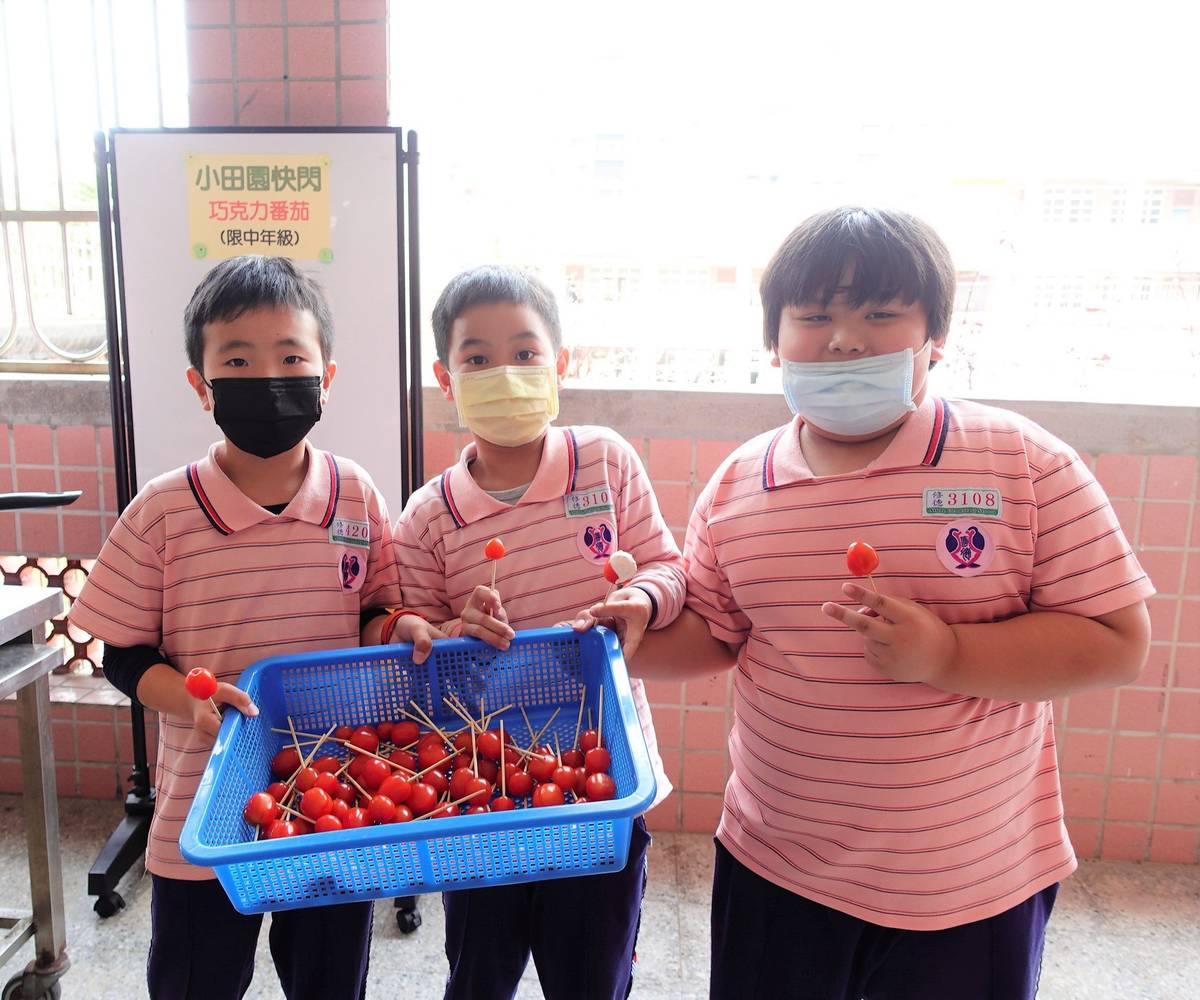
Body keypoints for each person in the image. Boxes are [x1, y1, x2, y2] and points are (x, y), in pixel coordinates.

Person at [632, 207, 1154, 999]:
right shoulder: (740, 485)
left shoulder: (1022, 462)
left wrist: (950, 654)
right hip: (778, 866)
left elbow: (1118, 639)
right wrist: (616, 643)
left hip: (970, 881)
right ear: (773, 340)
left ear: (935, 338)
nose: (844, 339)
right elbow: (716, 633)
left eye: (880, 314)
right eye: (814, 316)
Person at [69, 255, 438, 1000]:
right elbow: (124, 654)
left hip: (337, 795)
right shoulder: (162, 513)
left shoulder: (356, 495)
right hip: (202, 812)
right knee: (195, 980)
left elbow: (374, 611)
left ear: (325, 377)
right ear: (201, 386)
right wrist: (187, 699)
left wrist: (398, 629)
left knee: (330, 980)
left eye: (291, 357)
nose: (268, 377)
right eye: (237, 360)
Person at [393, 265, 685, 1000]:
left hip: (603, 777)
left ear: (561, 363)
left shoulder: (606, 461)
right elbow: (415, 647)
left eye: (526, 354)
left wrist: (643, 601)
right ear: (445, 377)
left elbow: (667, 568)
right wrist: (450, 631)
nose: (506, 373)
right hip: (481, 788)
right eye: (478, 358)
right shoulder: (428, 516)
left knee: (591, 972)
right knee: (480, 973)